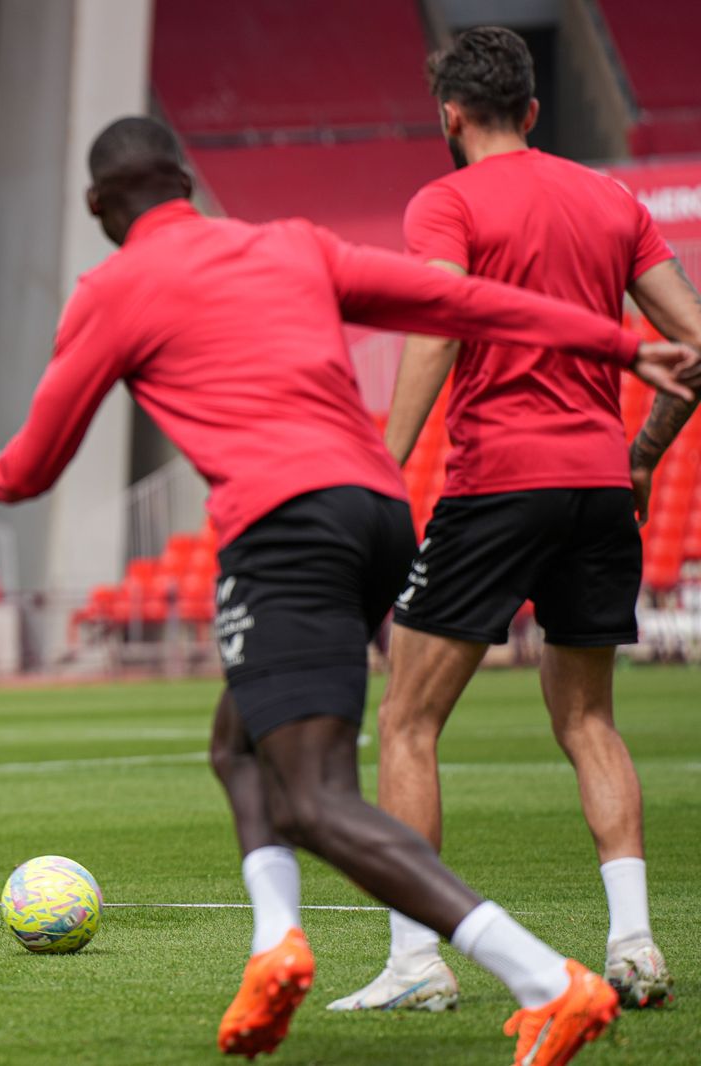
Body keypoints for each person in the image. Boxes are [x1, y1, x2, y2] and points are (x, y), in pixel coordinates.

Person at [0, 116, 696, 1064]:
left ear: (98, 206)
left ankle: (543, 980)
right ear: (185, 180)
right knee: (238, 745)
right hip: (380, 514)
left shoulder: (113, 289)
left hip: (288, 529)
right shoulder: (293, 245)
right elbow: (461, 301)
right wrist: (615, 345)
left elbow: (30, 469)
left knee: (315, 799)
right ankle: (276, 946)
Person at [329, 27, 699, 1015]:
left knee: (407, 720)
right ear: (533, 110)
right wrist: (642, 454)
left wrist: (381, 467)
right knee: (588, 720)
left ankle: (416, 959)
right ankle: (634, 944)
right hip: (598, 485)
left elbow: (437, 327)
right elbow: (696, 340)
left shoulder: (446, 201)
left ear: (450, 115)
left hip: (498, 481)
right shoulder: (613, 199)